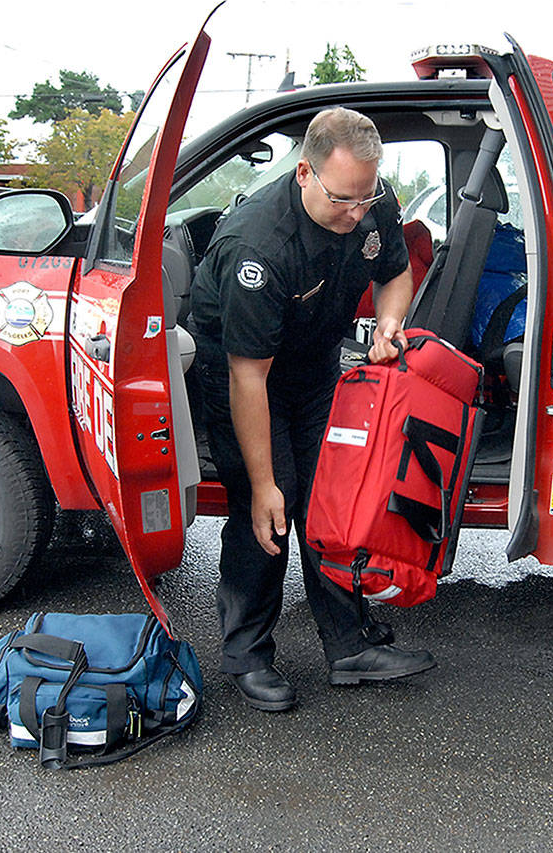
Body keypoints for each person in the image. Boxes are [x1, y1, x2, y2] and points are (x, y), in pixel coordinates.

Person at [188, 107, 435, 712]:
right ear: (304, 173)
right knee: (270, 507)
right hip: (243, 371)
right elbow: (250, 380)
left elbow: (395, 273)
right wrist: (267, 480)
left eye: (365, 197)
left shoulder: (366, 198)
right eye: (343, 200)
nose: (357, 213)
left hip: (315, 360)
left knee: (333, 495)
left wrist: (388, 322)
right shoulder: (257, 246)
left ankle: (348, 646)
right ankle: (247, 656)